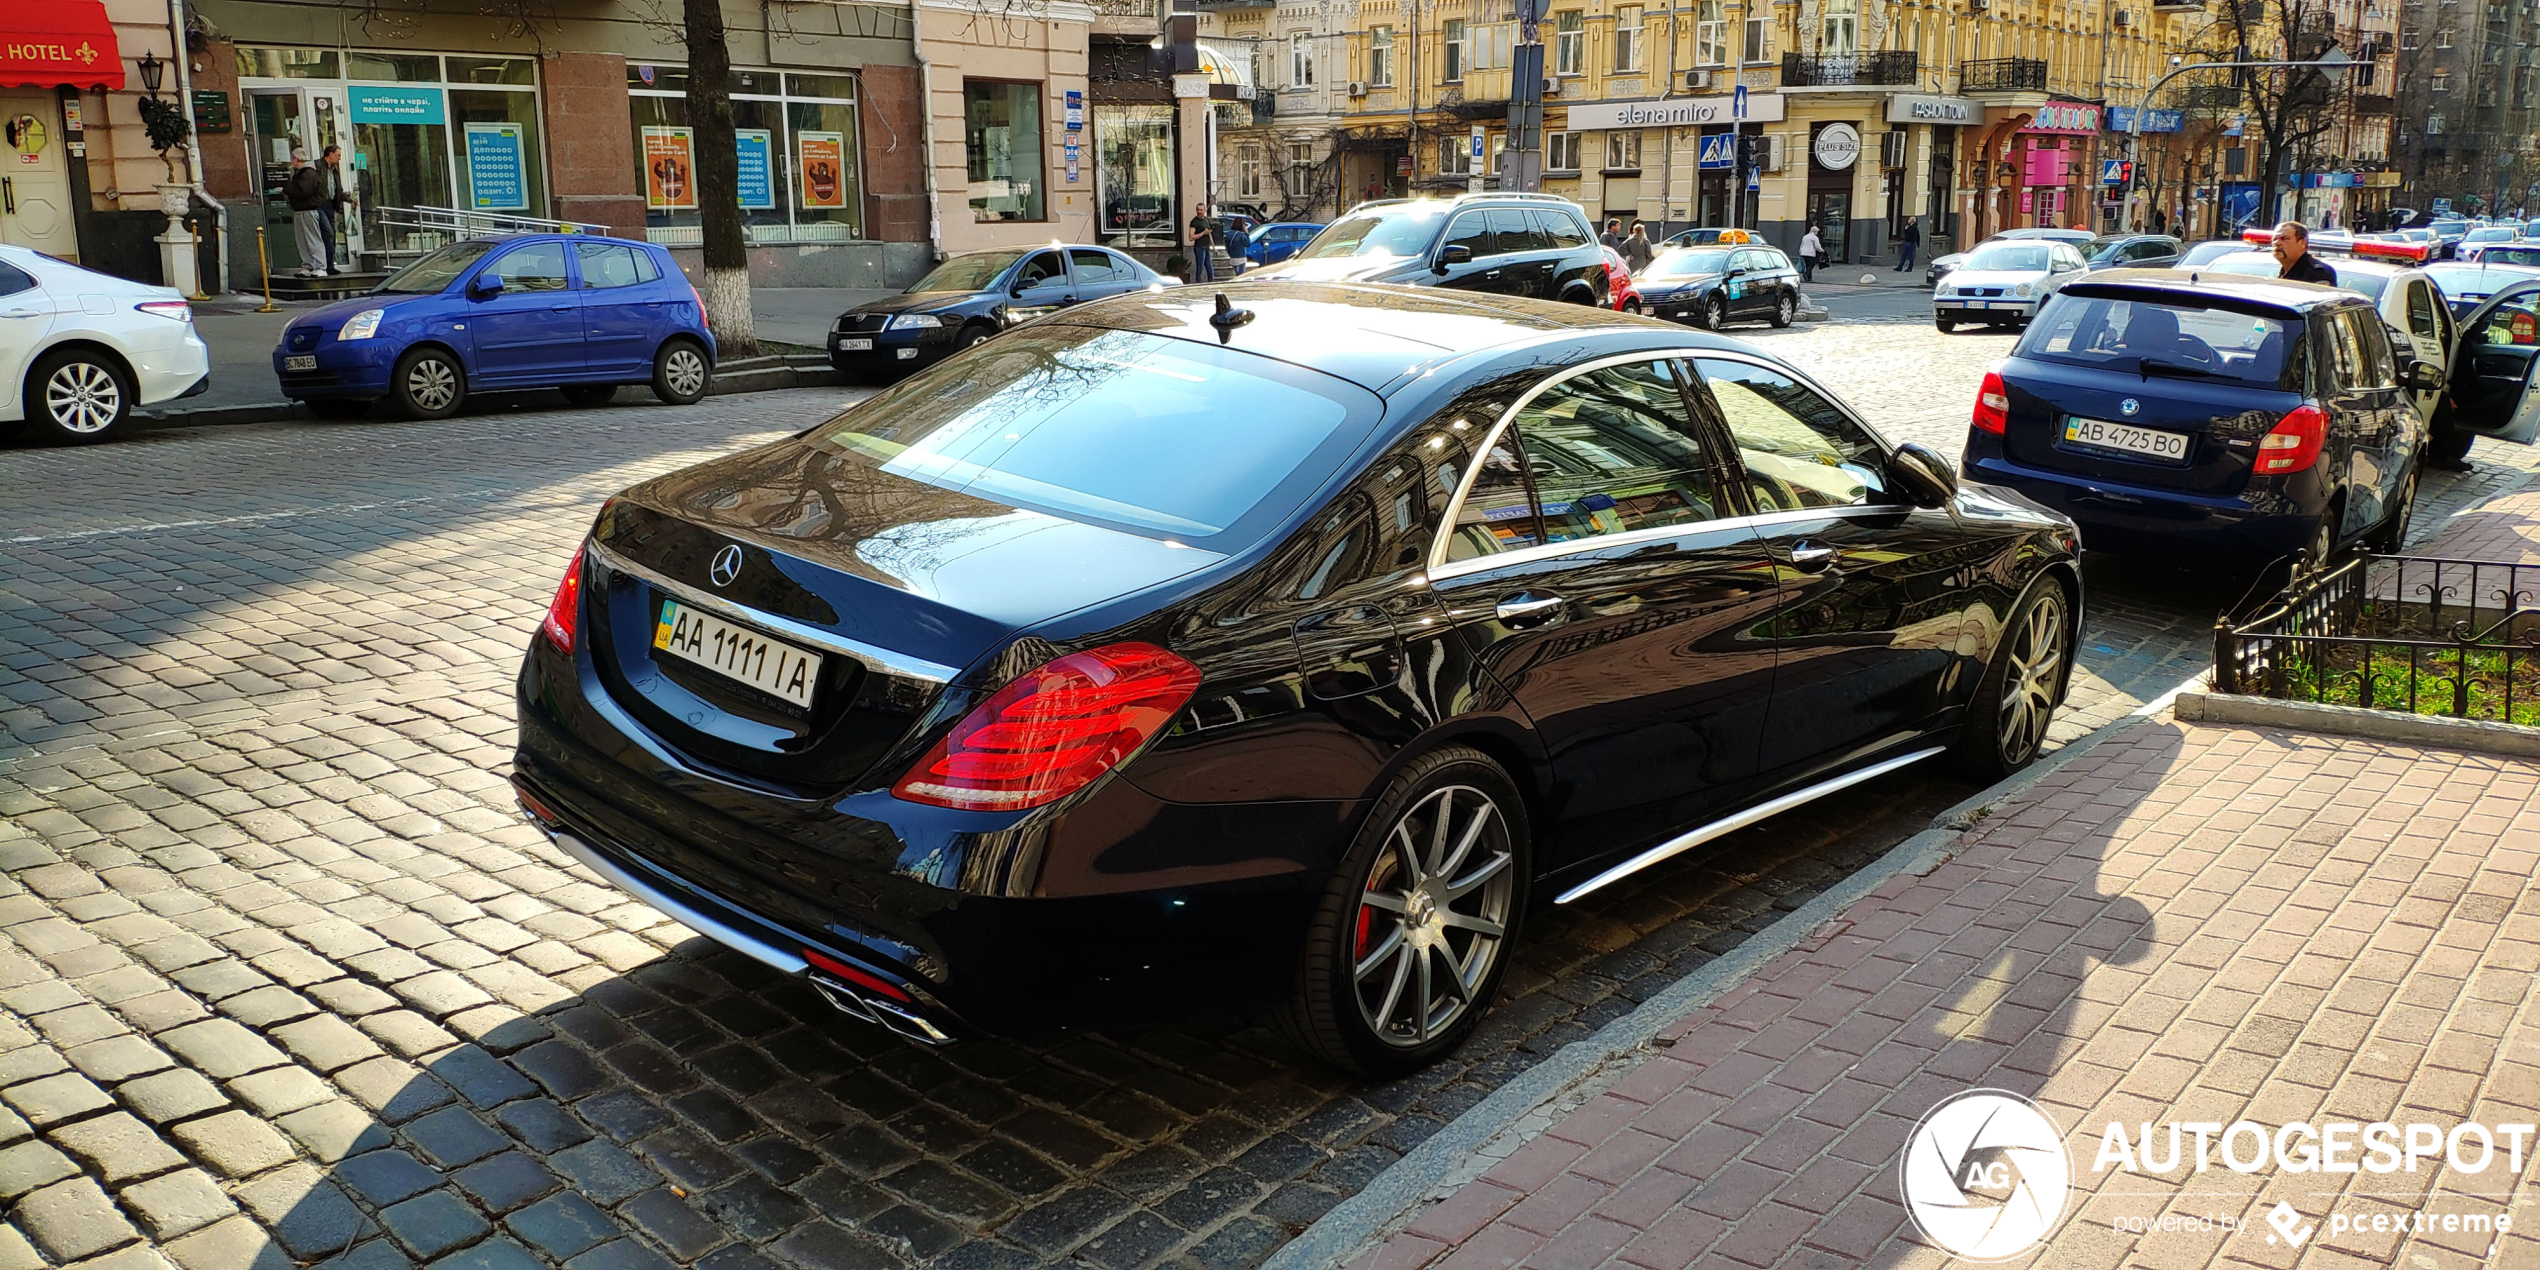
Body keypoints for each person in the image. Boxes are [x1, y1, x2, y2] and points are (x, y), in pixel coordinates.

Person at [285, 149, 330, 278]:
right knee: (303, 240)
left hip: (308, 209)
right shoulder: (303, 173)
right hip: (301, 209)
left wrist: (286, 189)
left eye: (292, 158)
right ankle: (309, 265)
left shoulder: (308, 173)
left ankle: (320, 266)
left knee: (312, 238)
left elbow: (303, 192)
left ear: (296, 158)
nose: (291, 161)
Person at [316, 145, 356, 276]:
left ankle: (329, 264)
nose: (339, 158)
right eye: (338, 155)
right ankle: (323, 264)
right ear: (330, 154)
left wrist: (349, 199)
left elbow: (337, 190)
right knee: (327, 233)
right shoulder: (318, 167)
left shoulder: (334, 170)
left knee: (331, 235)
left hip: (330, 205)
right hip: (319, 205)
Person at [2271, 220, 2336, 286]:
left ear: (2303, 243)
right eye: (2274, 239)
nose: (2277, 243)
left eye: (2284, 238)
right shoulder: (2284, 272)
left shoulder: (2319, 273)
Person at [1188, 204, 1216, 282]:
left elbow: (1209, 234)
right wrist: (1203, 233)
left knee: (1209, 267)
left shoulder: (1206, 220)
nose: (1199, 211)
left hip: (1206, 247)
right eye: (1198, 210)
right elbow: (1191, 237)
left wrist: (1214, 247)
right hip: (1199, 247)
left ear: (1205, 210)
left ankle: (1211, 283)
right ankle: (1198, 284)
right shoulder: (1194, 222)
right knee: (1200, 267)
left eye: (1201, 210)